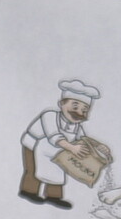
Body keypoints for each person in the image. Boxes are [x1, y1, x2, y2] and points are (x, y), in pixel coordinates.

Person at [18, 79, 107, 210]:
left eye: (84, 110)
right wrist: (72, 147)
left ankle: (53, 196)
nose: (79, 113)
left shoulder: (77, 126)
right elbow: (53, 136)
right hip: (34, 145)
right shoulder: (49, 115)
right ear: (61, 104)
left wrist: (98, 146)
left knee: (58, 170)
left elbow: (84, 139)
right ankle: (28, 191)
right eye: (75, 107)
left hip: (57, 151)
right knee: (33, 169)